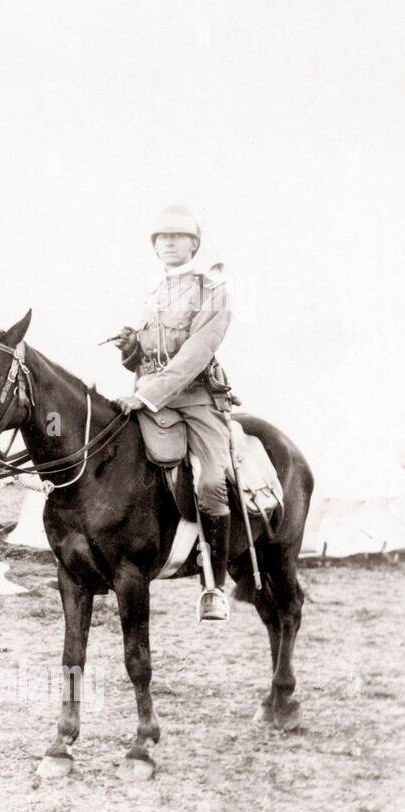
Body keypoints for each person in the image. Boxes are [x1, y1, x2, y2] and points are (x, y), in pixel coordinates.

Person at [114, 204, 234, 621]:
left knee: (211, 481)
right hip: (148, 393)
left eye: (176, 237)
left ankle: (214, 585)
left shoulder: (213, 289)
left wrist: (146, 393)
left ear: (194, 244)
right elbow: (148, 353)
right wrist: (131, 351)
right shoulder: (152, 290)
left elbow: (196, 353)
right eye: (160, 237)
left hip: (196, 399)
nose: (167, 243)